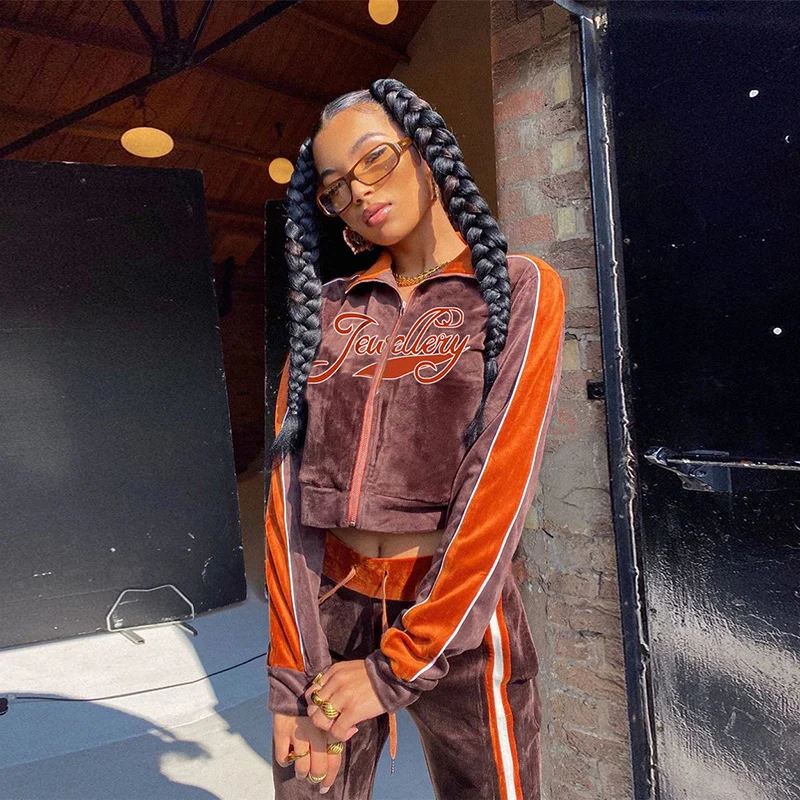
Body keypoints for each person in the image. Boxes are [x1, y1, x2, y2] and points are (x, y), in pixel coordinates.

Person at [265, 77, 565, 799]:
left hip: (458, 617)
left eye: (375, 158)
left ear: (425, 151)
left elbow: (498, 486)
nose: (360, 192)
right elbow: (286, 496)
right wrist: (291, 675)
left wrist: (397, 666)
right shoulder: (327, 310)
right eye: (336, 188)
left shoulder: (517, 289)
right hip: (330, 610)